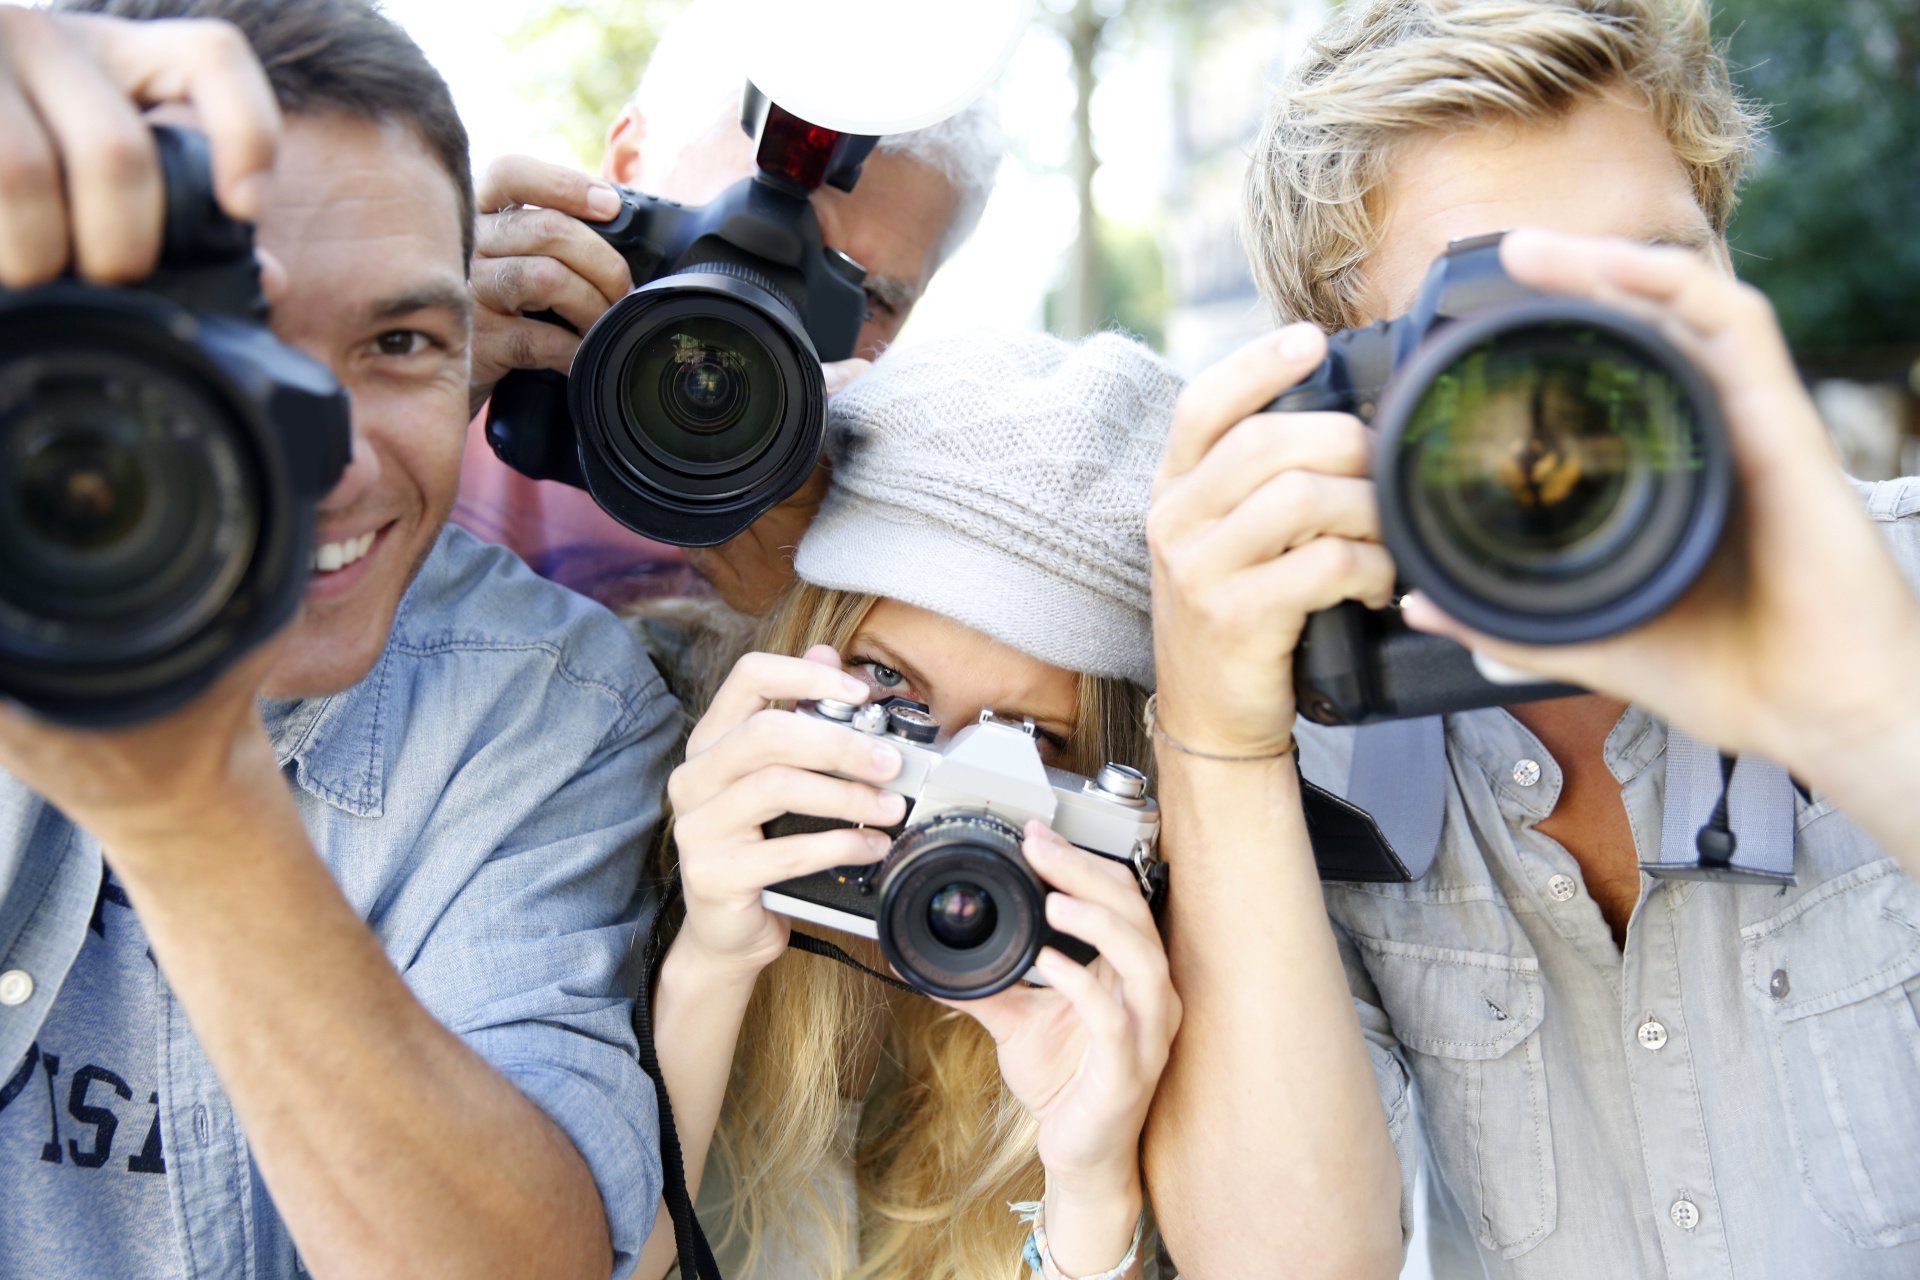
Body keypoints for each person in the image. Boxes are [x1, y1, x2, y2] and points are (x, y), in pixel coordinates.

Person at [1141, 2, 1920, 1278]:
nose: (1597, 391)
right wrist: (1217, 746)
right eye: (1510, 342)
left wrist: (1875, 715)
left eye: (1647, 290)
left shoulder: (1901, 595)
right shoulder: (1327, 743)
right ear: (1353, 404)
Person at [0, 2, 679, 1276]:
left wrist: (192, 809)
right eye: (234, 339)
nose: (333, 454)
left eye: (399, 342)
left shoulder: (546, 703)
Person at [640, 330, 1181, 1280]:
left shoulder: (1143, 999)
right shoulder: (624, 791)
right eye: (890, 693)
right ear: (803, 659)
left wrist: (1090, 1185)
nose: (937, 812)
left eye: (1032, 745)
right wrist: (707, 963)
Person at [453, 0, 1004, 615]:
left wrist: (804, 605)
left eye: (867, 295)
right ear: (624, 171)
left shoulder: (901, 562)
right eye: (735, 252)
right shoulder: (440, 348)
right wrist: (411, 370)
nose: (763, 327)